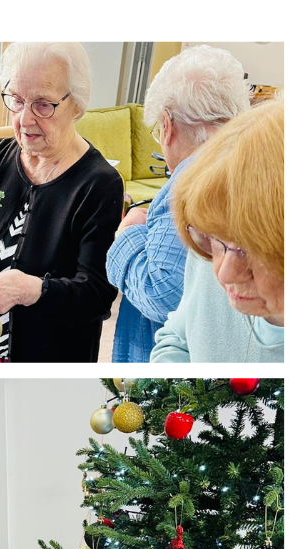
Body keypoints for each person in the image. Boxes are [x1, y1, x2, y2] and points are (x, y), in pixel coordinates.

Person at [0, 42, 124, 361]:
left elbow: (97, 296)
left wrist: (32, 291)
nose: (24, 119)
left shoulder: (99, 184)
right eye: (16, 99)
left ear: (76, 105)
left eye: (43, 104)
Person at [108, 46, 249, 362]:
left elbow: (162, 296)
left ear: (167, 125)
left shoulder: (189, 184)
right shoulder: (248, 169)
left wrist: (129, 235)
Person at [152, 101, 284, 362]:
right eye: (213, 239)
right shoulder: (211, 255)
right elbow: (176, 340)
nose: (223, 272)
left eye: (250, 248)